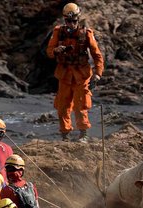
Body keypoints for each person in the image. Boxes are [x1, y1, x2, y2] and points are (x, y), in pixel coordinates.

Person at [46, 2, 104, 143]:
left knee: (81, 105)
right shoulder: (58, 32)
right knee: (62, 106)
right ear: (64, 20)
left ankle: (83, 134)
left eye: (74, 21)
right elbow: (49, 51)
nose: (71, 24)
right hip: (64, 74)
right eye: (68, 21)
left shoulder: (86, 34)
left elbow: (97, 55)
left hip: (81, 75)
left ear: (78, 19)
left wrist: (97, 74)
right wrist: (56, 50)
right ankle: (65, 134)